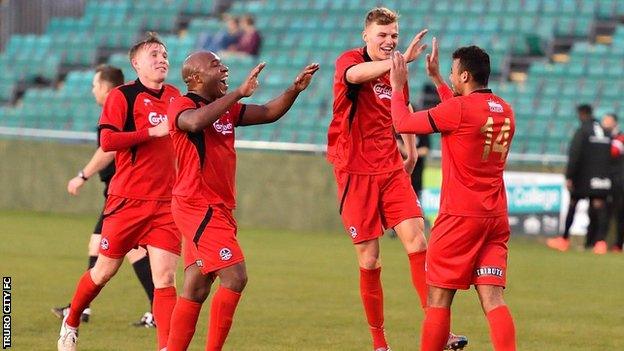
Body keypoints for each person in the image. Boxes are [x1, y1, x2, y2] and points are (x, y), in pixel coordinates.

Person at [326, 7, 466, 351]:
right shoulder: (350, 60)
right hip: (354, 170)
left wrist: (411, 149)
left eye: (393, 37)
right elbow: (356, 76)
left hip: (389, 167)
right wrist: (400, 61)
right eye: (382, 35)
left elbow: (402, 107)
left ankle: (439, 330)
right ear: (366, 36)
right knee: (369, 260)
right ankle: (379, 342)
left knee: (419, 242)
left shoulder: (394, 69)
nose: (389, 42)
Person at [165, 51, 318, 350]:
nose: (224, 68)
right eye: (215, 65)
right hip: (197, 205)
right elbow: (194, 123)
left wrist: (293, 90)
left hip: (218, 208)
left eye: (223, 64)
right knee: (235, 276)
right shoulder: (182, 105)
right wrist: (237, 93)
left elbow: (268, 112)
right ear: (195, 78)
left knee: (196, 287)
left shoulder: (225, 110)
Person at [389, 40, 517, 351]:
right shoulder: (504, 110)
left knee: (438, 297)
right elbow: (461, 117)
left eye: (451, 72)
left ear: (464, 76)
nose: (450, 75)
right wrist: (436, 78)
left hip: (460, 218)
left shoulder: (458, 110)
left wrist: (396, 87)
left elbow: (402, 122)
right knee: (492, 298)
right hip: (495, 218)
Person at [57, 33, 181, 351]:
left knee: (165, 278)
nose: (162, 58)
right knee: (103, 271)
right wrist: (151, 132)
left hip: (166, 203)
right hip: (127, 201)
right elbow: (109, 142)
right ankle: (71, 322)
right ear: (136, 63)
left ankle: (167, 347)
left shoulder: (176, 96)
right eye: (154, 54)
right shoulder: (122, 97)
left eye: (165, 54)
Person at [51, 64, 156, 328]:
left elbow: (108, 150)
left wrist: (82, 175)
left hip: (124, 192)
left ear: (106, 88)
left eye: (95, 85)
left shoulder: (117, 108)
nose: (93, 91)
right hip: (121, 190)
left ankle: (83, 309)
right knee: (103, 245)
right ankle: (83, 308)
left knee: (128, 249)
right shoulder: (125, 106)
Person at [546, 104, 612, 254]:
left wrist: (569, 176)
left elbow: (575, 154)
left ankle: (564, 240)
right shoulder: (605, 131)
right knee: (599, 206)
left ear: (581, 114)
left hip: (583, 176)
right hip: (602, 177)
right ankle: (600, 243)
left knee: (573, 204)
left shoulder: (582, 130)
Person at [603, 113, 624, 252]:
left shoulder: (619, 138)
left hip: (619, 181)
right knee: (603, 212)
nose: (605, 124)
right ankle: (599, 242)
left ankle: (618, 244)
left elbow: (614, 151)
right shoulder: (602, 138)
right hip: (605, 180)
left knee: (620, 213)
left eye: (608, 121)